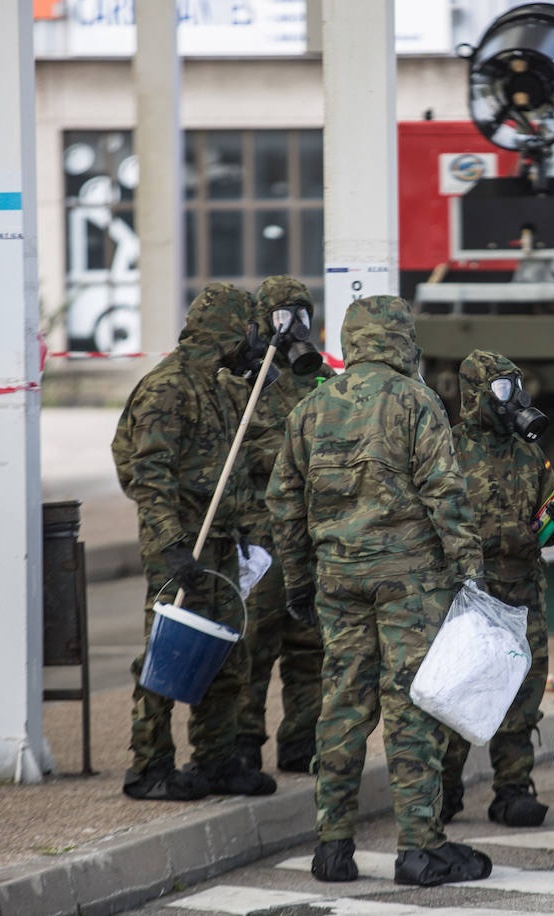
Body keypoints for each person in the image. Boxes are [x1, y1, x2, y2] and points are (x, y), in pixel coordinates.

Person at [266, 295, 493, 887]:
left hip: (337, 580)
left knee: (342, 703)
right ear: (400, 339)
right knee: (410, 706)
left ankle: (332, 847)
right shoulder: (415, 401)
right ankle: (419, 847)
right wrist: (470, 570)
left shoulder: (312, 406)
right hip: (409, 582)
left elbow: (284, 501)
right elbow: (445, 491)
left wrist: (297, 578)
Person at [111, 282, 278, 801]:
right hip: (181, 544)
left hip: (222, 542)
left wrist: (250, 534)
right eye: (247, 329)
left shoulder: (219, 388)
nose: (250, 340)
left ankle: (216, 758)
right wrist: (171, 542)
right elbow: (147, 471)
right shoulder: (168, 387)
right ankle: (150, 766)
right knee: (168, 653)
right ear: (228, 328)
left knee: (227, 655)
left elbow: (240, 469)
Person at [439, 349, 554, 828]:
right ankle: (442, 787)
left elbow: (542, 517)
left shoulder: (528, 452)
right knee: (460, 690)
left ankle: (514, 788)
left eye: (516, 386)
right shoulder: (448, 448)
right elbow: (441, 523)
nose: (514, 399)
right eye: (503, 389)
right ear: (478, 396)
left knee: (522, 693)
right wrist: (508, 536)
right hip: (469, 594)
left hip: (523, 595)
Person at [230, 276, 330, 776]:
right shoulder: (239, 384)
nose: (295, 325)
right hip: (263, 538)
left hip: (311, 536)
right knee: (255, 642)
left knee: (309, 645)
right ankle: (245, 740)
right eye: (284, 315)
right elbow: (227, 459)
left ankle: (301, 739)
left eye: (303, 313)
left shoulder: (323, 381)